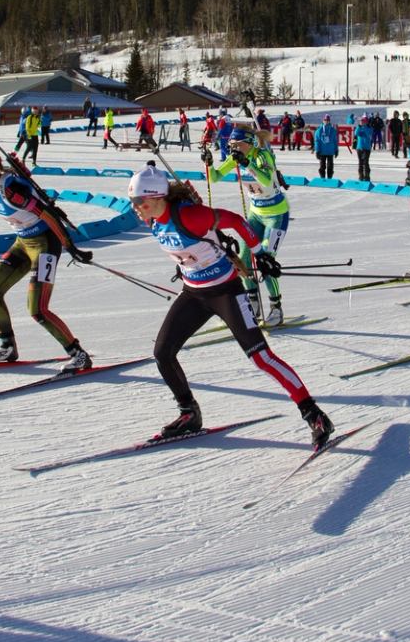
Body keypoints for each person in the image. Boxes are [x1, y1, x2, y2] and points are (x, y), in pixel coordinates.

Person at [126, 164, 333, 448]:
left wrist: (260, 254)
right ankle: (189, 413)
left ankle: (313, 413)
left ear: (158, 197)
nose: (136, 207)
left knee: (261, 357)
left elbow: (235, 220)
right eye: (132, 202)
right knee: (162, 352)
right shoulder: (153, 218)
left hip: (226, 293)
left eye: (140, 201)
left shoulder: (190, 216)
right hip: (194, 293)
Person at [0, 149, 94, 369]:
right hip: (24, 243)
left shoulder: (9, 189)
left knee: (38, 310)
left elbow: (47, 214)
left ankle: (78, 354)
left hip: (46, 243)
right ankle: (7, 347)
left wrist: (69, 246)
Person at [206, 125, 292, 325]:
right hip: (256, 214)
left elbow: (267, 181)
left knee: (266, 262)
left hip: (276, 216)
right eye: (231, 145)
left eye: (236, 145)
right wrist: (210, 164)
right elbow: (215, 178)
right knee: (242, 259)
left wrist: (247, 164)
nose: (232, 148)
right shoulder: (236, 157)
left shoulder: (262, 156)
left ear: (248, 143)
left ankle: (276, 308)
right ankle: (253, 302)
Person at [353, 116, 374, 181]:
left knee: (366, 162)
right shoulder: (359, 128)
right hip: (359, 147)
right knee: (360, 163)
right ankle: (361, 176)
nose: (361, 122)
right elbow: (356, 133)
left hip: (367, 148)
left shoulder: (369, 128)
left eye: (363, 121)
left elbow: (369, 133)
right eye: (361, 121)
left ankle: (367, 176)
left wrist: (364, 127)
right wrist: (359, 127)